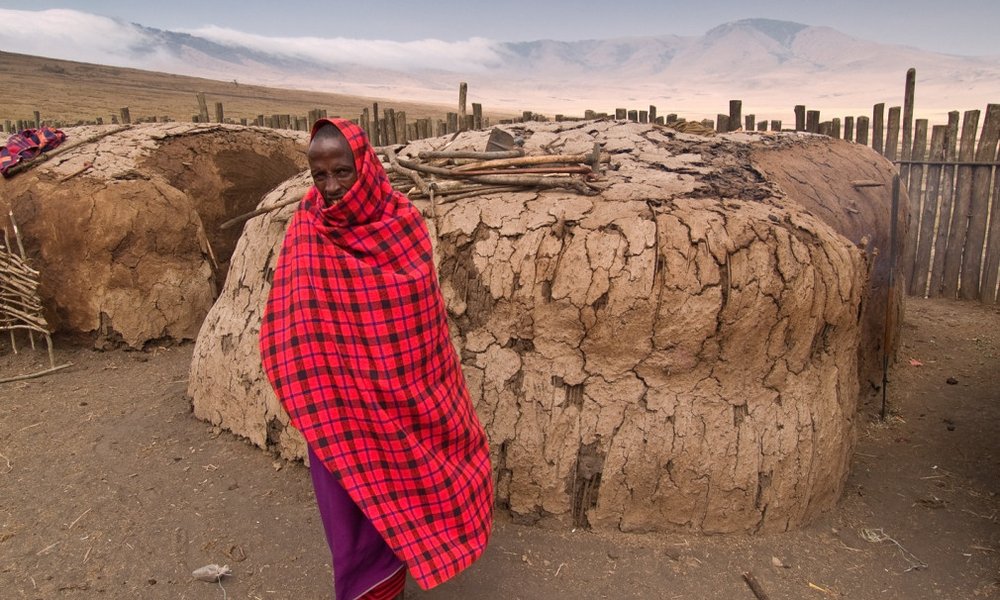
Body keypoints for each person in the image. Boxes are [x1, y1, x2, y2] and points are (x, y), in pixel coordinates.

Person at [259, 118, 493, 599]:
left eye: (342, 172)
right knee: (348, 518)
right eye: (318, 175)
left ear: (363, 165)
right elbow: (293, 312)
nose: (331, 188)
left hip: (402, 397)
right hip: (335, 408)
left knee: (402, 492)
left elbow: (419, 329)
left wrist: (386, 378)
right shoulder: (308, 225)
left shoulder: (400, 223)